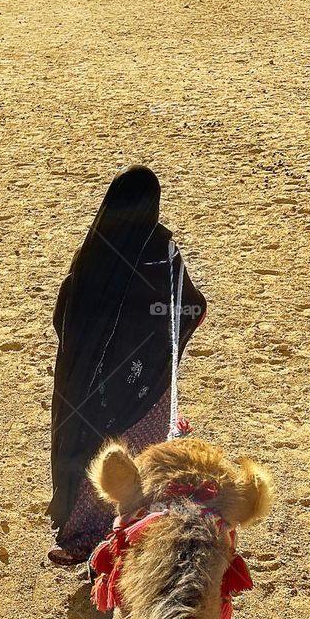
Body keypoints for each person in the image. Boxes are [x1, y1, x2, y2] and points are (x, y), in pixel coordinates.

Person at [48, 166, 206, 566]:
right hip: (149, 387)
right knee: (144, 458)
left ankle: (84, 536)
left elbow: (64, 314)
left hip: (93, 384)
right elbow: (193, 307)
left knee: (96, 453)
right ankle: (136, 536)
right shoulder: (164, 255)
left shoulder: (95, 249)